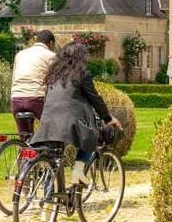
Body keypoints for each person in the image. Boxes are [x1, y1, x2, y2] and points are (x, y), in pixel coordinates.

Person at [30, 39, 115, 190]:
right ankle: (77, 171)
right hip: (69, 123)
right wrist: (108, 118)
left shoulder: (53, 75)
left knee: (52, 158)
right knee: (91, 137)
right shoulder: (82, 74)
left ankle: (49, 196)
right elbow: (95, 98)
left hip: (48, 121)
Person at [9, 29, 56, 130]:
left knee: (24, 135)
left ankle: (23, 144)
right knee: (53, 127)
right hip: (36, 98)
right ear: (51, 43)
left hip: (16, 99)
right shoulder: (51, 56)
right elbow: (55, 81)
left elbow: (14, 78)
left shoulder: (20, 54)